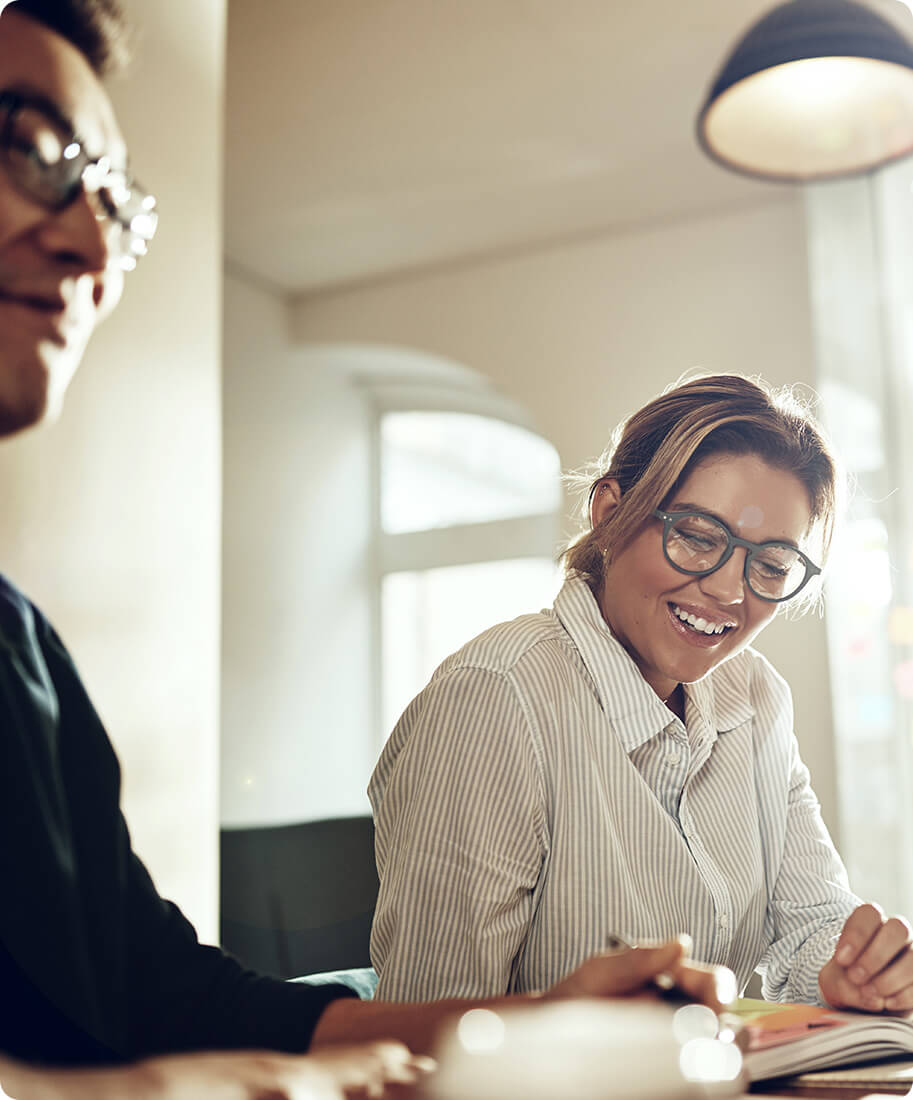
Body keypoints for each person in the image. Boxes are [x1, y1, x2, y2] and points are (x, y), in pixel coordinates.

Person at [0, 2, 734, 1096]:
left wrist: (526, 1021)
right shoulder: (496, 690)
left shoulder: (23, 647)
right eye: (33, 149)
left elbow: (169, 991)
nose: (92, 243)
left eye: (114, 199)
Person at [369, 372, 913, 1014]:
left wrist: (848, 968)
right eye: (700, 537)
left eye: (769, 565)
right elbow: (424, 1028)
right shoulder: (496, 699)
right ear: (609, 515)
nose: (731, 592)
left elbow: (812, 917)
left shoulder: (757, 695)